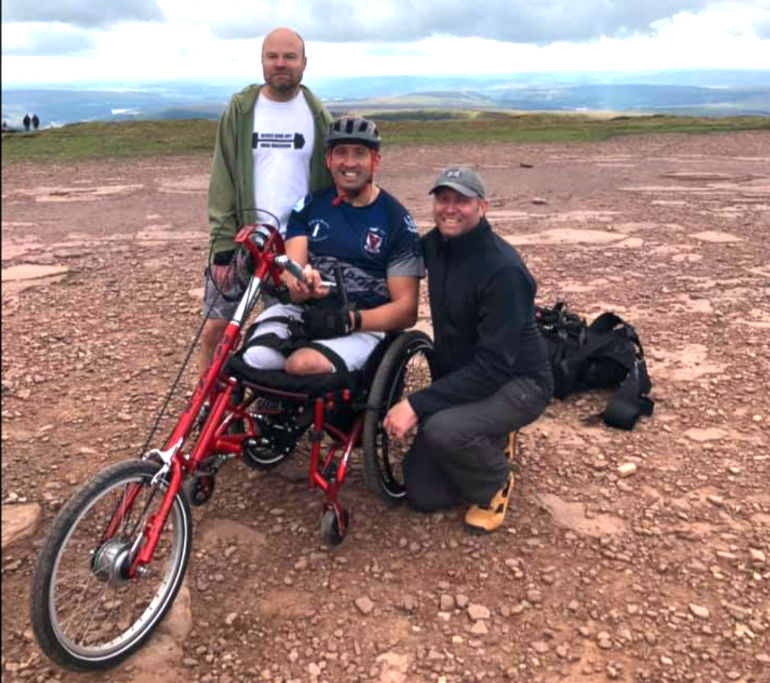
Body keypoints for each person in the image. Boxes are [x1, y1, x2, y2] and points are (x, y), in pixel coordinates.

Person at [383, 166, 553, 534]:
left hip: (517, 381)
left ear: (482, 207)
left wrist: (416, 404)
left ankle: (495, 482)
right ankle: (488, 432)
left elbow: (493, 368)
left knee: (445, 430)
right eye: (443, 199)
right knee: (423, 494)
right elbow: (391, 253)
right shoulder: (436, 246)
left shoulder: (503, 270)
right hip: (467, 378)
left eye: (461, 200)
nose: (450, 208)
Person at [240, 116, 423, 376]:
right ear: (328, 160)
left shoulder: (397, 221)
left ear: (375, 161)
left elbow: (406, 311)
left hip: (365, 323)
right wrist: (302, 286)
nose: (349, 162)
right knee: (256, 357)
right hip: (309, 312)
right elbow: (293, 276)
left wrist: (350, 321)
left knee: (301, 364)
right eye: (341, 153)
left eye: (359, 153)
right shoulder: (309, 206)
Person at [201, 27, 332, 372]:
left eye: (289, 57)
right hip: (243, 241)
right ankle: (206, 405)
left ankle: (272, 405)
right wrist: (222, 246)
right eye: (272, 56)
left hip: (294, 247)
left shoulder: (317, 117)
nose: (280, 63)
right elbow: (223, 177)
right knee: (216, 330)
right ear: (261, 61)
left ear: (304, 63)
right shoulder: (242, 110)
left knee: (282, 331)